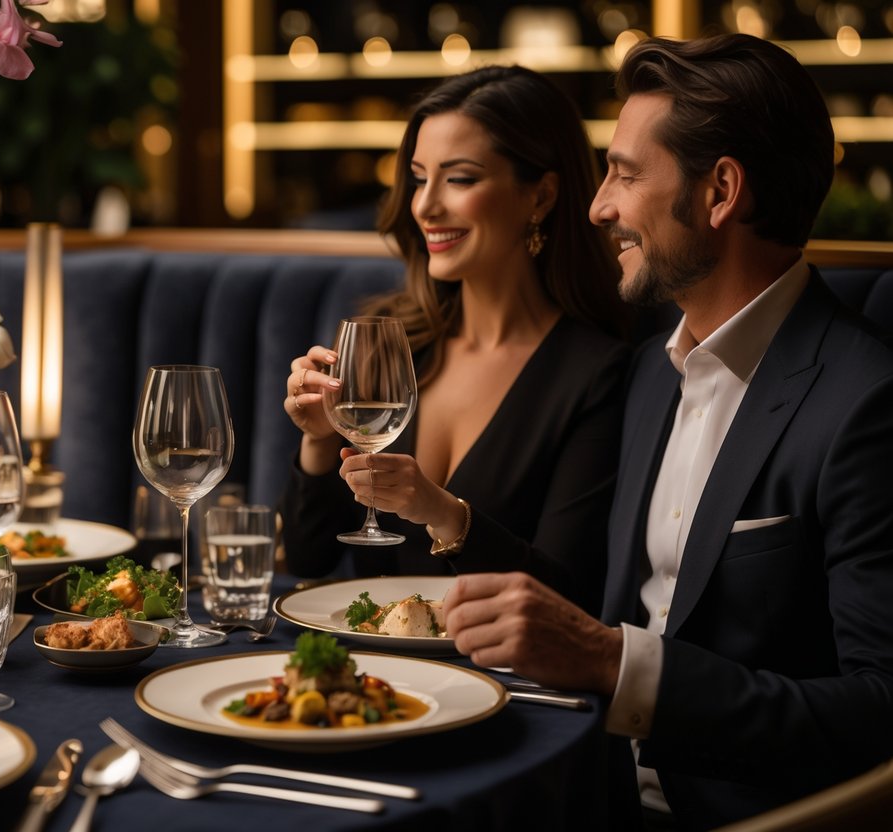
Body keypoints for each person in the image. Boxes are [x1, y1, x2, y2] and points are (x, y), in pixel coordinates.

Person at [443, 34, 893, 830]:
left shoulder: (867, 402)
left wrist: (616, 665)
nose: (597, 207)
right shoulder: (651, 370)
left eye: (623, 173)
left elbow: (877, 709)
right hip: (573, 785)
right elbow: (584, 609)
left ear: (719, 192)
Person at [280, 65, 630, 612]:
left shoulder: (596, 372)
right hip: (372, 675)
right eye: (419, 178)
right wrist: (319, 439)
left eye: (460, 179)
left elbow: (568, 598)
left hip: (504, 683)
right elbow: (308, 560)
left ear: (540, 195)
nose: (425, 205)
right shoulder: (391, 346)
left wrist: (442, 512)